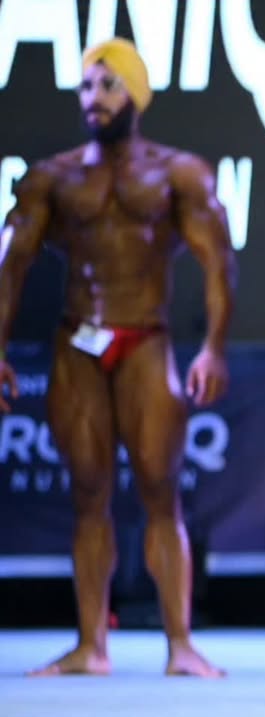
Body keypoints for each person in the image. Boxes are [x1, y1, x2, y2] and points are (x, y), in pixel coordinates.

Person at [0, 38, 235, 677]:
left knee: (161, 491)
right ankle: (90, 645)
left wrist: (214, 348)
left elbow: (219, 263)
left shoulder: (177, 174)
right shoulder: (53, 177)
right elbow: (12, 264)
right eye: (86, 86)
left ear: (136, 95)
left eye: (108, 85)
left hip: (146, 340)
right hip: (78, 340)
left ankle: (180, 644)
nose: (94, 98)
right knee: (87, 493)